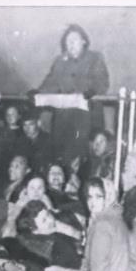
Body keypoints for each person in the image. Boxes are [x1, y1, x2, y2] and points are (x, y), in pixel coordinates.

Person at [36, 24, 110, 165]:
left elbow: (102, 82)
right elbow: (50, 82)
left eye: (74, 40)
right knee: (61, 157)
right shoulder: (59, 61)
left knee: (86, 159)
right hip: (64, 120)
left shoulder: (95, 58)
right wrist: (38, 93)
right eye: (68, 41)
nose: (71, 44)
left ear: (84, 41)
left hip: (88, 118)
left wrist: (92, 91)